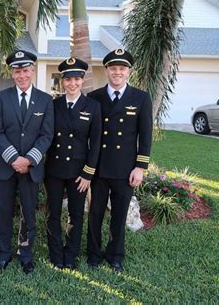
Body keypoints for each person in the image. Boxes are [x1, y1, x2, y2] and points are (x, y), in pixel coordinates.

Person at [86, 49, 153, 272]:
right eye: (113, 68)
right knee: (95, 213)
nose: (117, 72)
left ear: (129, 72)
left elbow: (145, 135)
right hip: (98, 167)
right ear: (106, 70)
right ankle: (93, 253)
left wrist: (140, 167)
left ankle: (115, 255)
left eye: (122, 68)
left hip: (125, 169)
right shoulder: (94, 97)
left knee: (119, 213)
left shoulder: (141, 98)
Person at [0, 50, 54, 274]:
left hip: (31, 168)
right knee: (3, 212)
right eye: (17, 71)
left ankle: (25, 254)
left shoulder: (46, 100)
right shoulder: (0, 98)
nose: (22, 75)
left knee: (28, 212)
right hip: (5, 167)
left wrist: (28, 160)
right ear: (12, 73)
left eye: (26, 70)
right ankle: (3, 254)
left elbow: (47, 135)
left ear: (33, 71)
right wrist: (13, 158)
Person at [44, 58, 101, 270]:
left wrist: (88, 173)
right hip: (55, 170)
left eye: (77, 79)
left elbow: (95, 142)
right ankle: (56, 253)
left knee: (76, 215)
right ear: (62, 81)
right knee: (53, 214)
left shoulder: (92, 107)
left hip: (79, 171)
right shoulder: (53, 105)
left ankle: (71, 253)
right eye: (68, 79)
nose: (72, 83)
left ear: (82, 80)